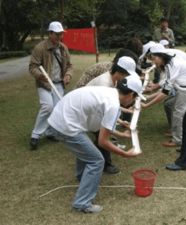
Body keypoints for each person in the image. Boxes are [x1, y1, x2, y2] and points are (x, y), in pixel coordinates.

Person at [47, 75, 144, 213]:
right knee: (97, 160)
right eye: (135, 97)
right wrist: (125, 154)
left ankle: (83, 179)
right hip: (65, 126)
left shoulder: (109, 92)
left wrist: (122, 133)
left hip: (59, 119)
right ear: (131, 94)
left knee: (86, 152)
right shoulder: (113, 104)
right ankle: (82, 203)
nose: (133, 101)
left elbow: (103, 125)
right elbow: (103, 142)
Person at [142, 44, 186, 171]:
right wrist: (146, 99)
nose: (153, 62)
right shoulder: (169, 65)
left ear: (160, 56)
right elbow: (164, 88)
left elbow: (165, 93)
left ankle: (183, 162)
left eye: (153, 58)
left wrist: (146, 105)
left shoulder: (173, 65)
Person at [86, 56, 139, 174]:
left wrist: (120, 121)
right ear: (120, 72)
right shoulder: (104, 83)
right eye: (127, 76)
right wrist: (121, 133)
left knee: (101, 137)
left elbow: (110, 105)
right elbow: (106, 111)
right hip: (89, 113)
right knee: (103, 137)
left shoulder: (112, 80)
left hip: (95, 111)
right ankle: (105, 164)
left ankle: (101, 161)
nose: (127, 80)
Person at [29, 21, 73, 150]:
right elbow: (33, 66)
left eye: (61, 34)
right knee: (47, 107)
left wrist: (68, 75)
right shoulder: (40, 48)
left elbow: (70, 66)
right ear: (50, 33)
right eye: (57, 34)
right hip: (44, 83)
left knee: (57, 109)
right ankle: (35, 135)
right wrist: (40, 76)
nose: (60, 37)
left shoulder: (63, 48)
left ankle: (50, 132)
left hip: (59, 83)